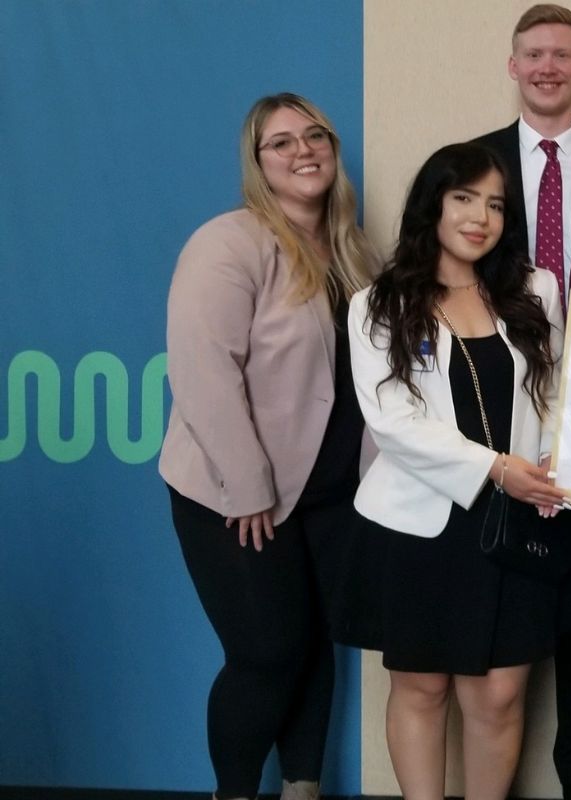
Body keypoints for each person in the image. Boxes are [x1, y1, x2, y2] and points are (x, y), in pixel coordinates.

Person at [159, 93, 378, 800]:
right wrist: (250, 488)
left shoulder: (356, 251)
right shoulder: (228, 242)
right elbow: (203, 371)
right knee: (267, 653)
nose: (302, 150)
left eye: (315, 135)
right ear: (257, 163)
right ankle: (235, 793)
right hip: (237, 496)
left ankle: (303, 790)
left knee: (317, 649)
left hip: (330, 495)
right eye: (280, 142)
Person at [347, 142, 571, 800]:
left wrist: (560, 458)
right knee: (422, 685)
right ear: (433, 205)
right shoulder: (376, 305)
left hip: (517, 519)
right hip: (418, 525)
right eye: (465, 198)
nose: (481, 216)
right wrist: (496, 467)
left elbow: (554, 394)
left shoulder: (534, 291)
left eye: (496, 204)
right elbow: (391, 422)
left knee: (500, 694)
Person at [476, 9, 571, 795]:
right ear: (513, 66)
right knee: (511, 595)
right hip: (507, 423)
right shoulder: (476, 171)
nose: (546, 66)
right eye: (532, 54)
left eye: (560, 55)